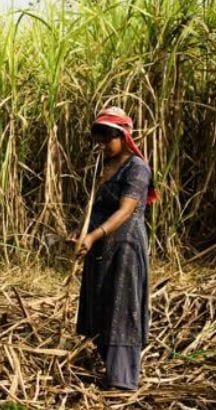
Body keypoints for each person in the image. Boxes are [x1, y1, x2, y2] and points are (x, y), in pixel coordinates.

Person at [73, 106, 156, 391]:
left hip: (125, 249)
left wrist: (94, 235)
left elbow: (126, 210)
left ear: (124, 135)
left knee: (122, 307)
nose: (104, 145)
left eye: (109, 138)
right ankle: (106, 368)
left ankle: (122, 381)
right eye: (100, 140)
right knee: (101, 303)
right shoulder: (105, 167)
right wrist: (84, 236)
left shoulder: (137, 168)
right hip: (101, 249)